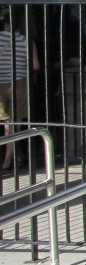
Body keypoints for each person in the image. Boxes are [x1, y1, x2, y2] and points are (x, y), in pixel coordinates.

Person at [1, 14, 40, 171]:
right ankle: (8, 159)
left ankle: (12, 155)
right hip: (19, 84)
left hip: (0, 84)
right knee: (14, 122)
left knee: (5, 123)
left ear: (5, 24)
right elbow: (36, 66)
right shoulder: (26, 41)